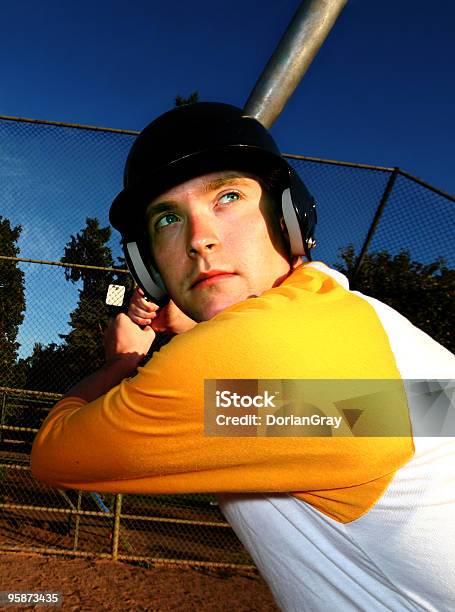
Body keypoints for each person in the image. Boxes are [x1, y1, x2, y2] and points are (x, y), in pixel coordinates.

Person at [31, 102, 455, 611]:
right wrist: (197, 332)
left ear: (289, 218)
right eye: (168, 218)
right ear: (149, 264)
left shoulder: (246, 357)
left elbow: (54, 452)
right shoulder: (353, 318)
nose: (199, 239)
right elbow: (383, 417)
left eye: (227, 196)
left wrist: (120, 363)